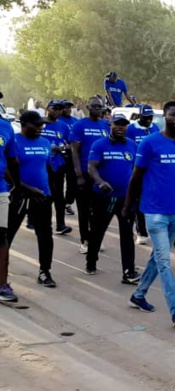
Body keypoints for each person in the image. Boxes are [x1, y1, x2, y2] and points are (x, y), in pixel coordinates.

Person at [123, 101, 175, 328]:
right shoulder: (149, 143)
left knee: (157, 256)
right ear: (165, 117)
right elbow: (136, 178)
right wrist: (128, 206)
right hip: (154, 213)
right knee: (165, 261)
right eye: (174, 115)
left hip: (174, 211)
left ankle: (139, 294)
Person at [86, 114, 140, 284]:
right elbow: (91, 167)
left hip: (125, 197)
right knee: (97, 230)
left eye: (124, 125)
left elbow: (137, 170)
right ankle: (91, 262)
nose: (120, 127)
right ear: (110, 125)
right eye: (117, 124)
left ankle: (128, 271)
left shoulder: (133, 146)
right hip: (104, 197)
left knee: (127, 233)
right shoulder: (99, 144)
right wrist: (100, 182)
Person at [9, 111, 55, 287]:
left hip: (42, 197)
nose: (40, 128)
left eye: (41, 125)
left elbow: (48, 168)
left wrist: (49, 193)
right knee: (7, 234)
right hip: (18, 196)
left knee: (45, 235)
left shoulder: (45, 142)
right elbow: (7, 173)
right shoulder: (13, 142)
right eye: (35, 125)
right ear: (23, 124)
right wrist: (26, 189)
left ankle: (45, 272)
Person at [70, 97, 111, 254]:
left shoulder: (106, 126)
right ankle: (85, 240)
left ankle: (96, 239)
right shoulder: (79, 125)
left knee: (99, 210)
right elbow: (75, 151)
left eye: (99, 107)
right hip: (85, 174)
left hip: (101, 176)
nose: (97, 109)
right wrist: (78, 175)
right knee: (84, 209)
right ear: (88, 107)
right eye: (94, 106)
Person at [127, 105, 160, 245]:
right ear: (139, 115)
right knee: (138, 201)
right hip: (137, 169)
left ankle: (154, 227)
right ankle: (141, 231)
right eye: (145, 117)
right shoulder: (131, 129)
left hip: (153, 172)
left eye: (150, 117)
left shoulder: (155, 128)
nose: (148, 119)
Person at [42, 100, 73, 235]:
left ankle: (60, 224)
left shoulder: (63, 126)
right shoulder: (40, 123)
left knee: (58, 196)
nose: (57, 111)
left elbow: (72, 144)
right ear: (48, 108)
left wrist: (62, 148)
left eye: (60, 109)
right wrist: (48, 148)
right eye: (55, 108)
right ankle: (41, 222)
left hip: (58, 165)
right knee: (44, 195)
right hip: (41, 165)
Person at [0, 110, 21, 301]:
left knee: (1, 236)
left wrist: (16, 186)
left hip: (0, 189)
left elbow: (11, 160)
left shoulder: (6, 127)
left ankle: (2, 285)